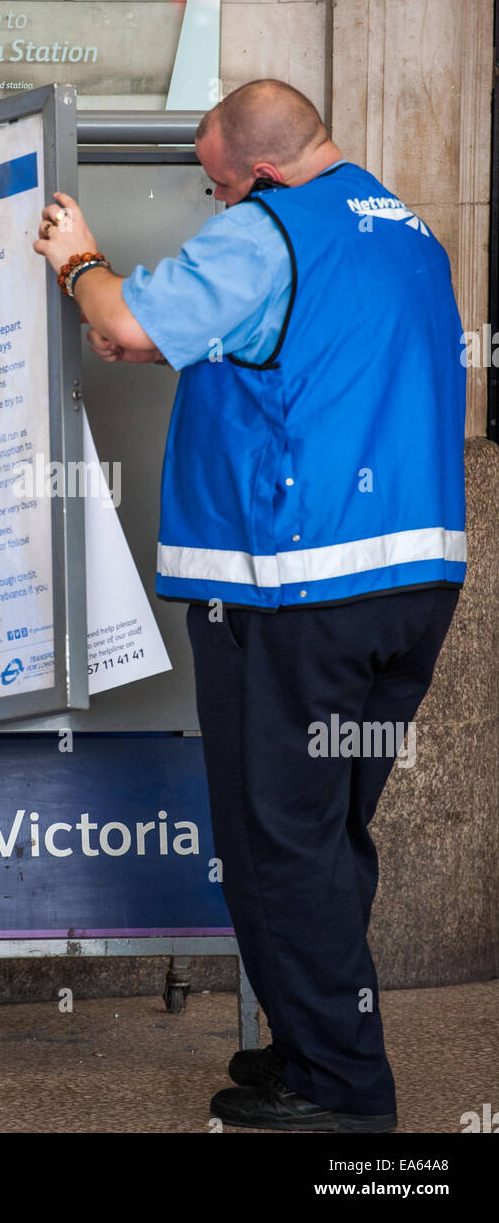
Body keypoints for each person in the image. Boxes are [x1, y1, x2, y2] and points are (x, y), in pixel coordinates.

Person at [33, 78, 466, 1134]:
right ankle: (311, 1047)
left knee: (280, 840)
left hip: (298, 590)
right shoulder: (403, 225)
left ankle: (345, 1094)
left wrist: (79, 261)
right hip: (410, 584)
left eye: (220, 185)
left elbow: (128, 325)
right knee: (325, 834)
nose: (216, 204)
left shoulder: (269, 230)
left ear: (262, 174)